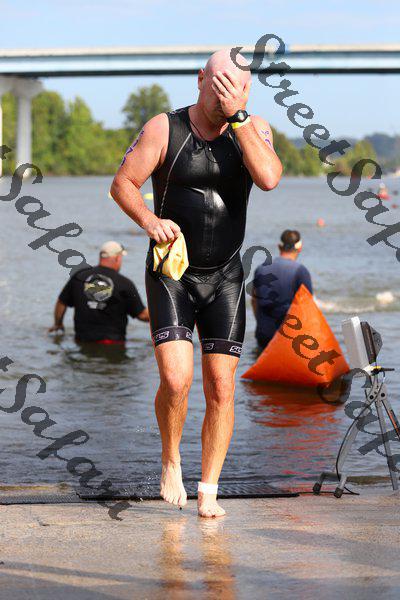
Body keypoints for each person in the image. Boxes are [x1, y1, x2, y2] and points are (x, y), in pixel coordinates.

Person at [110, 48, 282, 517]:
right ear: (201, 78)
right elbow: (122, 183)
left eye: (238, 87)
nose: (227, 94)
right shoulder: (164, 127)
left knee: (222, 387)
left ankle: (209, 489)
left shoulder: (254, 128)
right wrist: (149, 221)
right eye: (220, 83)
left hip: (225, 275)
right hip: (173, 271)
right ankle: (171, 460)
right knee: (175, 379)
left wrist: (239, 117)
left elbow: (269, 178)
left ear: (247, 91)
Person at [49, 241, 149, 342]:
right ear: (117, 258)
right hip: (112, 343)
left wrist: (58, 324)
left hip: (82, 340)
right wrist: (159, 315)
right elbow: (142, 315)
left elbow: (61, 302)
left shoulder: (79, 276)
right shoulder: (124, 283)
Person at [251, 230, 313, 349]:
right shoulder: (300, 271)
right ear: (300, 248)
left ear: (279, 246)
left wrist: (261, 324)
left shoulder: (260, 269)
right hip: (289, 336)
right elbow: (307, 306)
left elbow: (254, 301)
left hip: (264, 334)